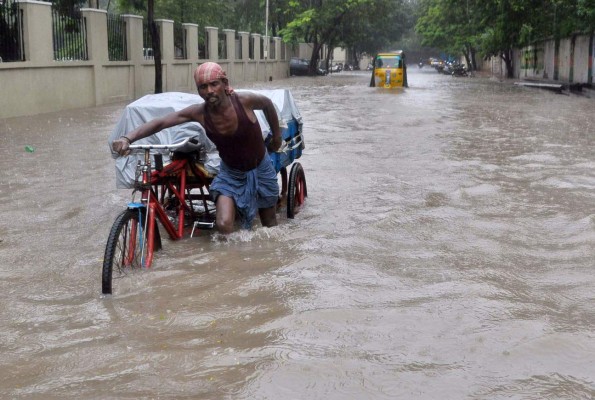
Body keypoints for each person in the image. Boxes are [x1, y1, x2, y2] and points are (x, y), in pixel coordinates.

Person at [112, 62, 282, 234]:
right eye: (203, 87)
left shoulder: (244, 101)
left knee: (269, 224)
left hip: (260, 168)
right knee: (223, 224)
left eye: (214, 84)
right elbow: (161, 122)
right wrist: (128, 138)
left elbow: (268, 105)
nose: (209, 91)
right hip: (230, 173)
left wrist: (277, 137)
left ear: (225, 83)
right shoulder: (199, 113)